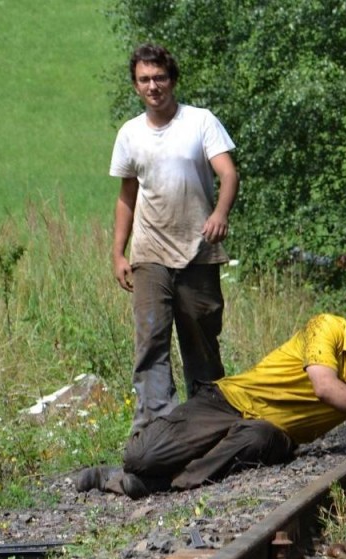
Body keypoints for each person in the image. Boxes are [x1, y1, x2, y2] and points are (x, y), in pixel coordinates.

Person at [75, 307, 346, 498]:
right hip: (228, 400)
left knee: (254, 438)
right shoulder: (327, 328)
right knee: (140, 456)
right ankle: (131, 473)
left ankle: (140, 485)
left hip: (272, 431)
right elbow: (325, 387)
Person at [110, 43, 240, 435]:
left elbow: (228, 174)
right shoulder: (130, 133)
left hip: (197, 250)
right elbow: (127, 197)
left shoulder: (200, 122)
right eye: (144, 80)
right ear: (135, 86)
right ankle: (155, 428)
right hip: (149, 252)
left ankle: (209, 422)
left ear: (172, 80)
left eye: (160, 78)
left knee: (200, 339)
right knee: (150, 340)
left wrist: (219, 213)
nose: (153, 86)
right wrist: (117, 252)